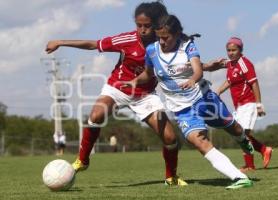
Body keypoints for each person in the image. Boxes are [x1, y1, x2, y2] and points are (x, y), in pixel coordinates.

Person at [46, 1, 187, 186]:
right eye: (139, 25)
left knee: (170, 138)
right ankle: (82, 160)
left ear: (157, 25)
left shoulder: (167, 42)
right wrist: (60, 42)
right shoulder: (127, 40)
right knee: (96, 115)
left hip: (145, 95)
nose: (142, 30)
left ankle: (171, 177)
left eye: (147, 26)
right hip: (118, 88)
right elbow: (93, 44)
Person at [123, 14, 254, 189]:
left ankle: (244, 141)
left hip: (203, 98)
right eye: (159, 37)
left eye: (166, 38)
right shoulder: (152, 50)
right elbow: (149, 73)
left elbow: (198, 69)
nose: (162, 42)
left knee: (232, 126)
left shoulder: (188, 46)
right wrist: (134, 81)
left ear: (177, 34)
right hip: (182, 109)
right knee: (198, 141)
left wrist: (193, 79)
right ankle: (240, 178)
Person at [215, 37, 272, 172]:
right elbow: (229, 81)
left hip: (249, 103)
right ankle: (264, 150)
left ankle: (250, 166)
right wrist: (217, 92)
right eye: (228, 50)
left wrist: (259, 105)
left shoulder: (245, 63)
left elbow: (254, 83)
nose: (231, 53)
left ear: (241, 50)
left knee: (243, 135)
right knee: (239, 134)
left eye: (234, 50)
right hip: (239, 106)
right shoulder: (230, 65)